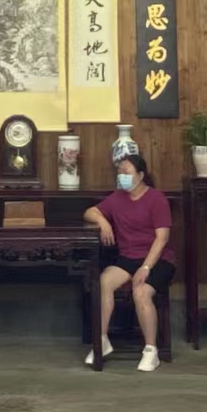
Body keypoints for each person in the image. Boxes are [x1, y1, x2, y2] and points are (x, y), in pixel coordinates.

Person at [83, 153, 175, 372]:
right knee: (104, 281)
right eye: (119, 172)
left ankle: (151, 350)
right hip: (128, 257)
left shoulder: (157, 199)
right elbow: (89, 212)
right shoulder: (117, 198)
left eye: (126, 172)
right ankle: (102, 341)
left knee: (140, 291)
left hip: (158, 259)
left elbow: (162, 238)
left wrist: (146, 267)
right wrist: (103, 221)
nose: (121, 175)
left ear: (141, 175)